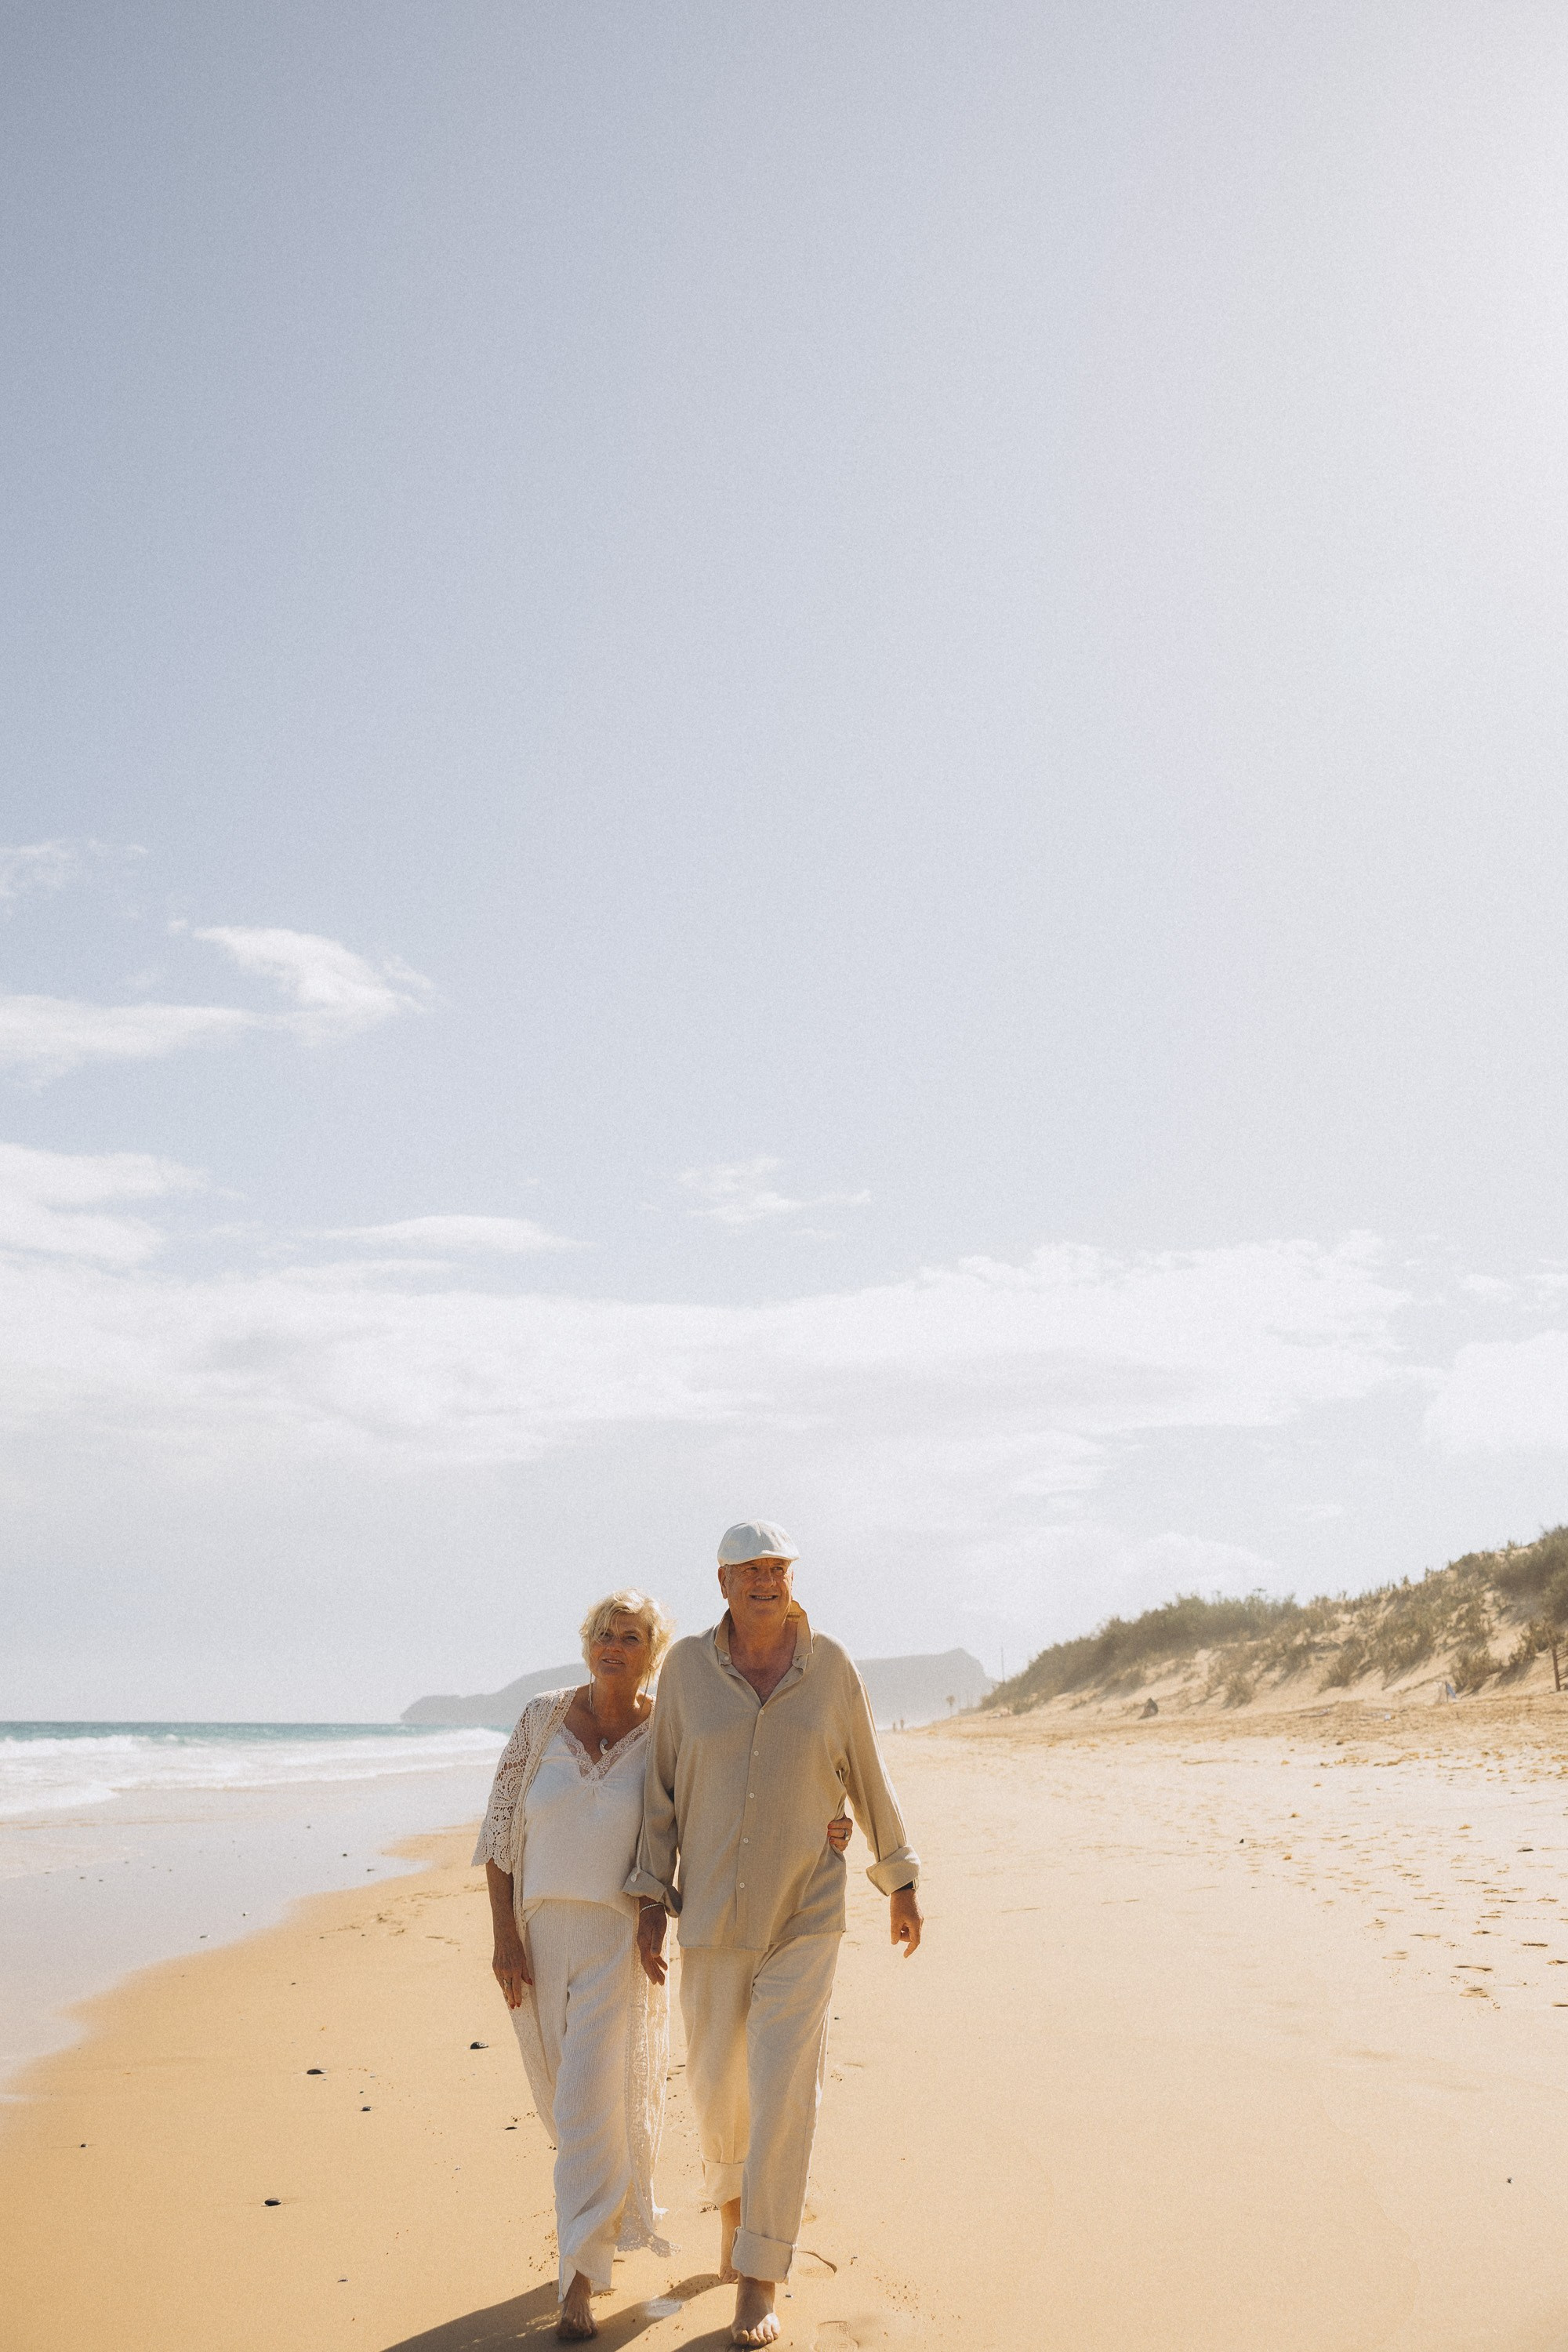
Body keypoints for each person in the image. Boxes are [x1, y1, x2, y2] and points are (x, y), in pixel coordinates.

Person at [475, 1588, 855, 2343]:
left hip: (619, 1943)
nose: (613, 1647)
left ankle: (579, 2278)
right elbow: (498, 1832)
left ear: (653, 1655)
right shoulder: (541, 1717)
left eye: (630, 1637)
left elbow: (720, 1803)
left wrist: (824, 1820)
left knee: (587, 2103)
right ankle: (599, 2226)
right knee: (565, 2102)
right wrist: (504, 1938)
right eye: (603, 1634)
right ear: (587, 1643)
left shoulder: (662, 1730)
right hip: (538, 1938)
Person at [628, 1521, 922, 2350]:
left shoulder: (831, 1667)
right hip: (710, 1913)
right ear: (722, 1582)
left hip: (806, 1910)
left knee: (784, 2090)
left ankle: (760, 2275)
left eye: (778, 1569)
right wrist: (649, 1895)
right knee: (718, 2084)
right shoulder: (686, 1670)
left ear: (792, 1578)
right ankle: (733, 2207)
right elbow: (660, 1788)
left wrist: (899, 1877)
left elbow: (866, 1770)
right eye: (749, 1570)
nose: (765, 1582)